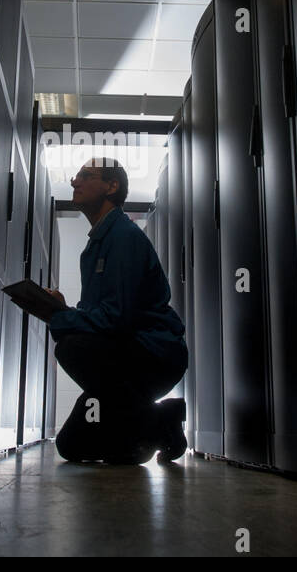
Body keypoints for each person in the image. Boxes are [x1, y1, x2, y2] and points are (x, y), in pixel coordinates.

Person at [42, 157, 188, 464]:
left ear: (112, 186)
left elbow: (116, 318)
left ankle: (160, 423)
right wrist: (63, 309)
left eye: (85, 175)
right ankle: (155, 421)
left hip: (153, 355)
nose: (74, 181)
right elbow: (102, 315)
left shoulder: (123, 236)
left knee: (72, 347)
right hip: (125, 356)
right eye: (75, 175)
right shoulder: (98, 242)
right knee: (71, 446)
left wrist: (61, 317)